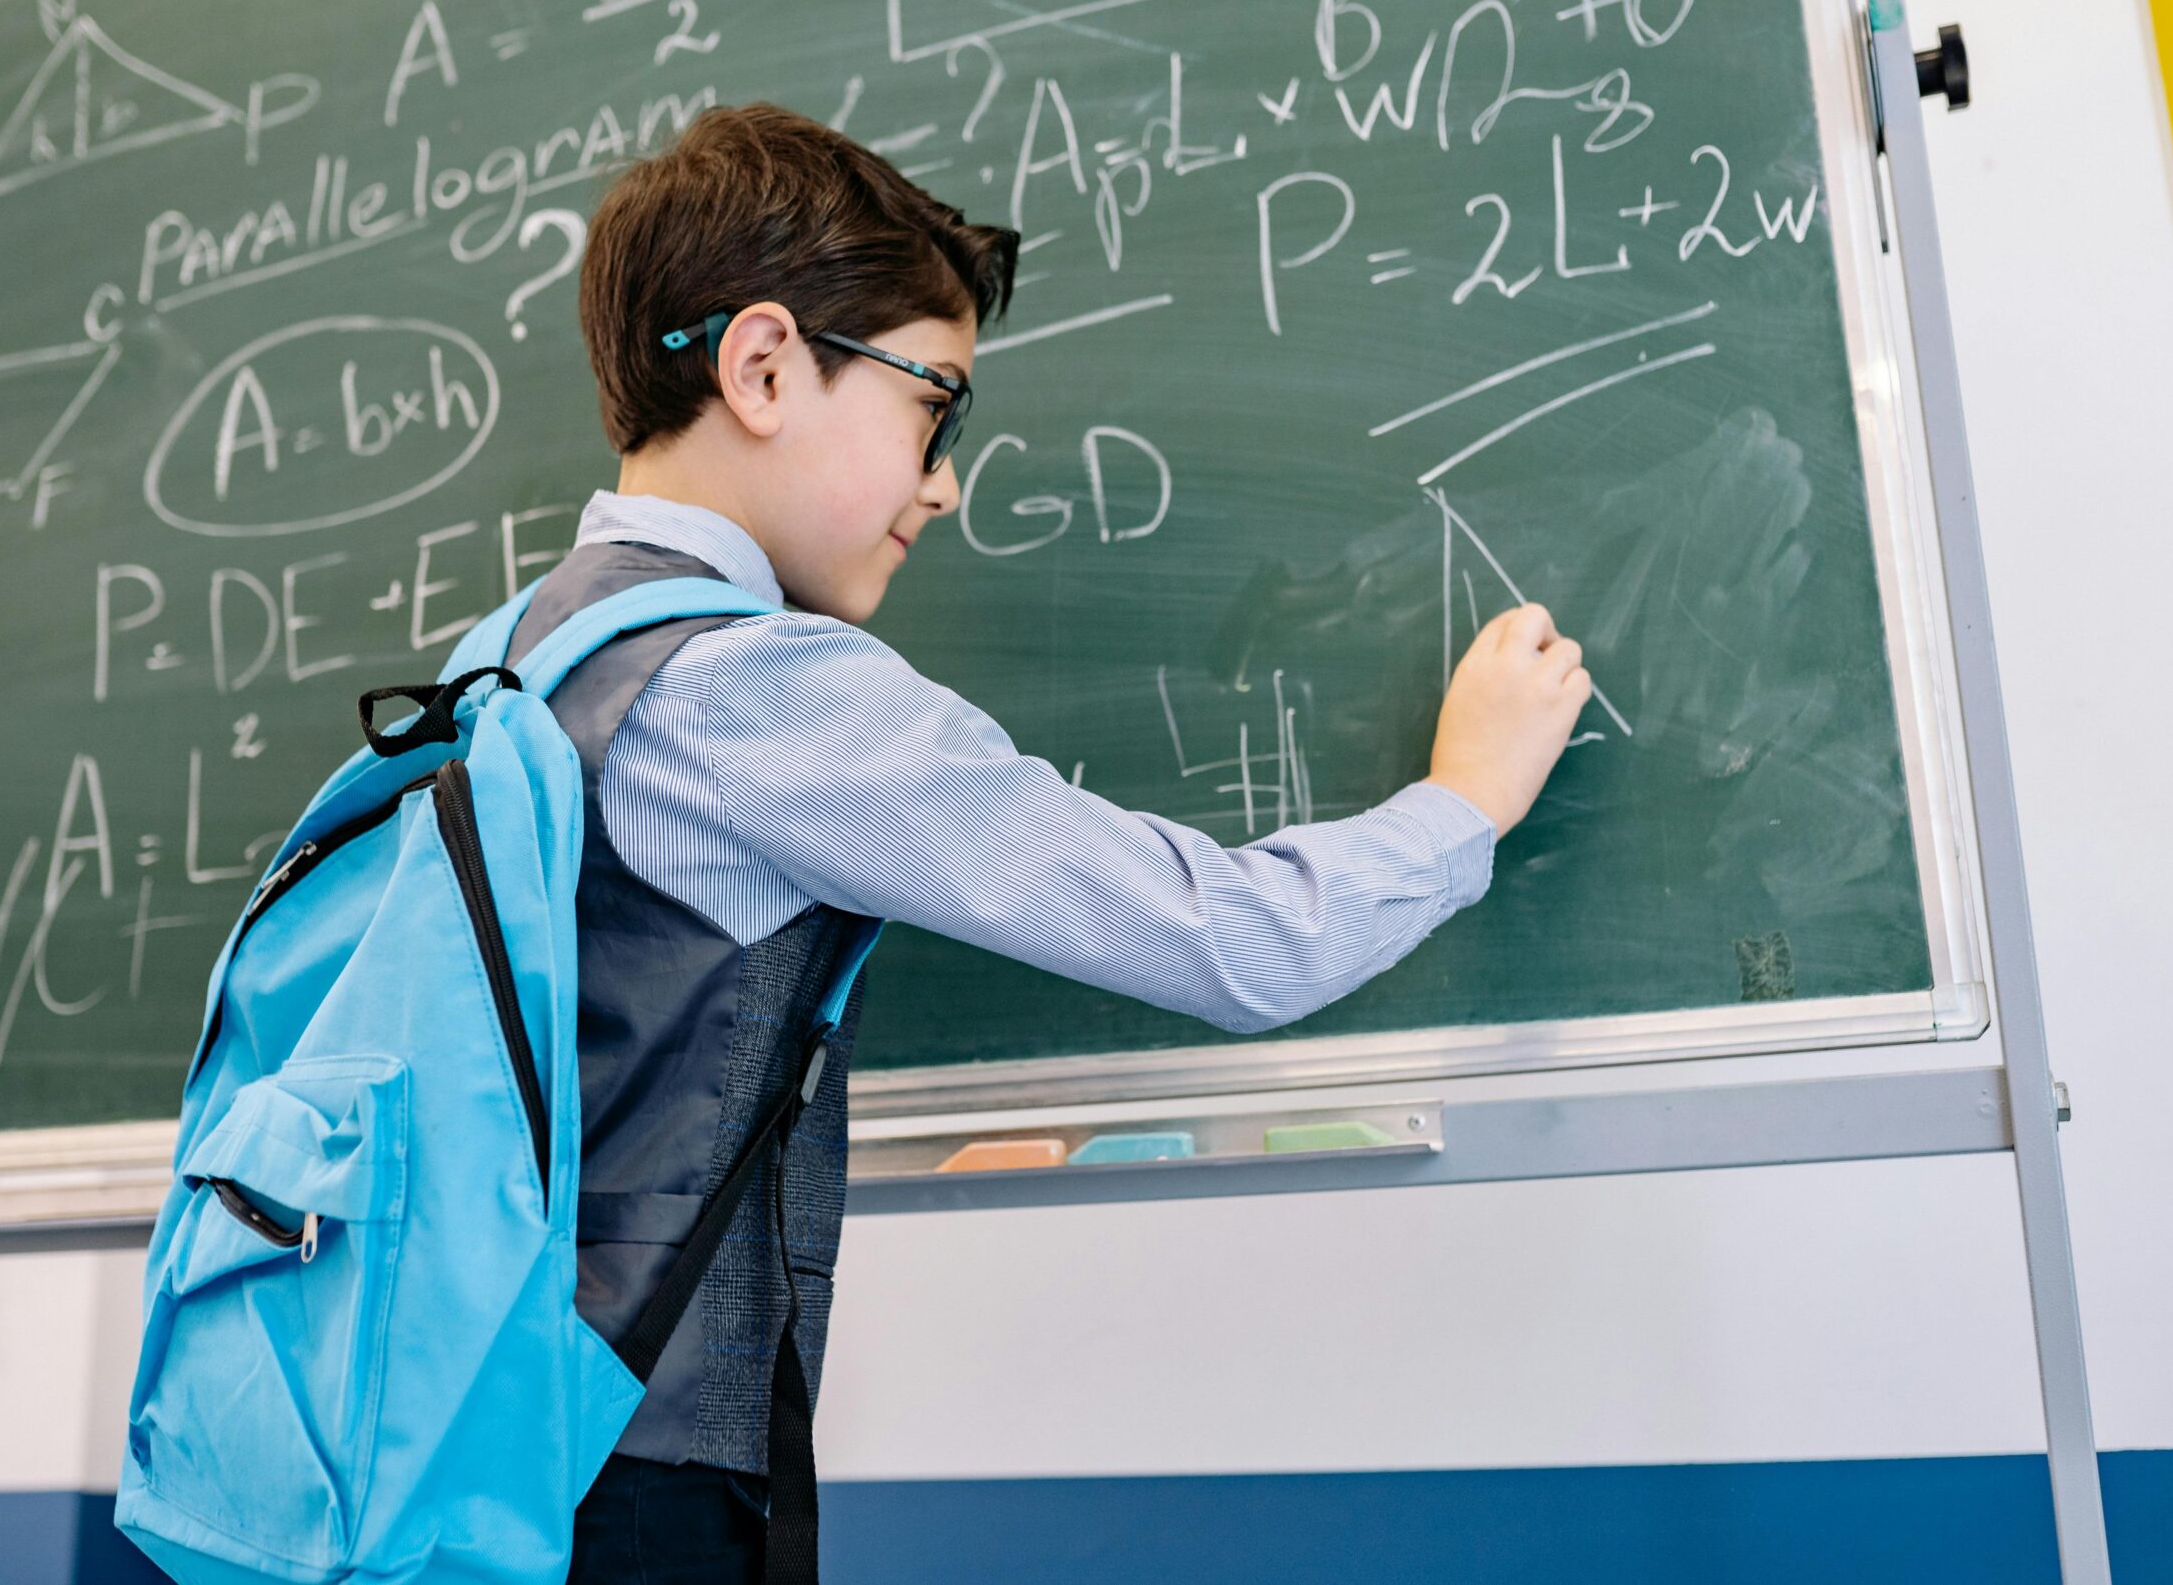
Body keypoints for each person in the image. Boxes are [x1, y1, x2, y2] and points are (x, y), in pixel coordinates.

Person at [526, 102, 1591, 1583]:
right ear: (764, 367)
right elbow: (1228, 940)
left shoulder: (510, 664)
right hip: (627, 1489)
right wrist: (1465, 800)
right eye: (931, 403)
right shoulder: (753, 693)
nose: (944, 479)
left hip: (479, 1451)